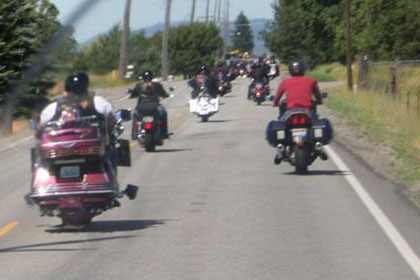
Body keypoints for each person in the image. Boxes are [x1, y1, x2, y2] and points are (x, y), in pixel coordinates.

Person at [37, 72, 117, 167]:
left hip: (59, 155)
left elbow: (40, 130)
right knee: (111, 149)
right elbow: (111, 121)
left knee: (39, 160)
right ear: (86, 86)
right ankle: (112, 174)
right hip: (93, 153)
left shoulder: (53, 107)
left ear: (67, 88)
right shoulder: (98, 102)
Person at [129, 70, 170, 140]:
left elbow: (133, 95)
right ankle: (164, 133)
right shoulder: (157, 85)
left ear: (143, 77)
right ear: (152, 77)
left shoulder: (139, 85)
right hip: (154, 106)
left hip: (141, 107)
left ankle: (134, 134)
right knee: (163, 113)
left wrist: (132, 95)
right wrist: (166, 95)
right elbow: (164, 94)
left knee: (135, 115)